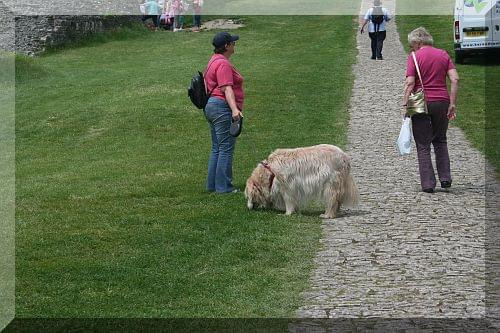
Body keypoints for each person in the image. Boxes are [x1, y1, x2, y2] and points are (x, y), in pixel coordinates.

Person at [403, 27, 459, 193]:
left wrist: (405, 104)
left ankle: (428, 184)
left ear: (418, 42)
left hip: (421, 103)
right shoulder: (443, 54)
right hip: (442, 101)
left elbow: (410, 82)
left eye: (412, 44)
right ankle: (445, 178)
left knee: (423, 144)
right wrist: (453, 103)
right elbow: (455, 79)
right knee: (440, 140)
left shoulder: (414, 56)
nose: (412, 48)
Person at [204, 32, 244, 193]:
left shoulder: (213, 60)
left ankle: (213, 185)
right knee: (226, 148)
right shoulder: (223, 64)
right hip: (221, 107)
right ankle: (224, 187)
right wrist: (235, 109)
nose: (234, 45)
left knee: (217, 147)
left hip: (212, 107)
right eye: (232, 43)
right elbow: (226, 87)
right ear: (226, 46)